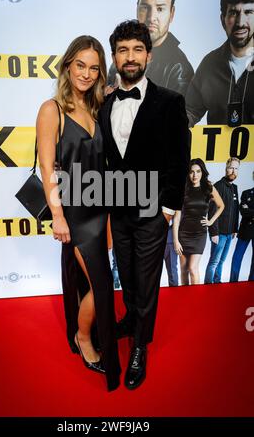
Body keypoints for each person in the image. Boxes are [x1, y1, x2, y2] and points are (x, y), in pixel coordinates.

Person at [98, 20, 190, 390]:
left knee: (147, 280)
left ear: (149, 55)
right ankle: (131, 317)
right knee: (129, 273)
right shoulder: (104, 104)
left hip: (154, 212)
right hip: (119, 210)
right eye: (122, 50)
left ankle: (140, 346)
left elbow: (179, 160)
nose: (130, 57)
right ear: (115, 57)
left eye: (137, 49)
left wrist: (168, 210)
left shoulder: (170, 101)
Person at [36, 36, 121, 391]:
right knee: (102, 286)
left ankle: (86, 331)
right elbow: (47, 168)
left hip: (104, 209)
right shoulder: (51, 109)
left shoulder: (99, 108)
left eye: (94, 67)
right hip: (75, 212)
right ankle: (84, 338)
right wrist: (57, 216)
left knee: (98, 282)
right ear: (68, 65)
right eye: (80, 65)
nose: (86, 74)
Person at [108, 0, 194, 96]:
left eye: (160, 9)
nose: (151, 17)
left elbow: (177, 114)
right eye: (145, 7)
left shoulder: (179, 70)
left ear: (171, 13)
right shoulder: (122, 56)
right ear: (137, 8)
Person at [186, 0, 254, 127]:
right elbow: (189, 111)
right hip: (216, 151)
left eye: (248, 12)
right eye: (234, 13)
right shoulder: (209, 64)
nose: (241, 22)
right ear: (223, 19)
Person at [173, 159, 224, 285]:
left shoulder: (208, 187)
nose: (195, 175)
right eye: (191, 172)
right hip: (183, 234)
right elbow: (177, 217)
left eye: (198, 171)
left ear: (202, 172)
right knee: (184, 270)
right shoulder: (183, 190)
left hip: (199, 235)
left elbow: (221, 205)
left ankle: (196, 298)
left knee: (193, 268)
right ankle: (185, 298)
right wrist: (175, 240)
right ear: (188, 174)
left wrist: (211, 221)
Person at [204, 157, 240, 284]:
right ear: (226, 168)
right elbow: (211, 211)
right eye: (231, 168)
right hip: (219, 234)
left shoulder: (234, 188)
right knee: (214, 262)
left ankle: (217, 284)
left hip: (229, 233)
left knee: (222, 261)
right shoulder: (217, 186)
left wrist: (235, 229)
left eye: (236, 169)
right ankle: (208, 286)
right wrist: (213, 232)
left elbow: (235, 210)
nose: (233, 171)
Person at [230, 175, 254, 282]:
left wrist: (249, 210)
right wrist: (247, 211)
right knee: (236, 258)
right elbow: (243, 212)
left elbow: (247, 211)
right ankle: (233, 282)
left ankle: (251, 283)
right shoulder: (246, 193)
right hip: (245, 230)